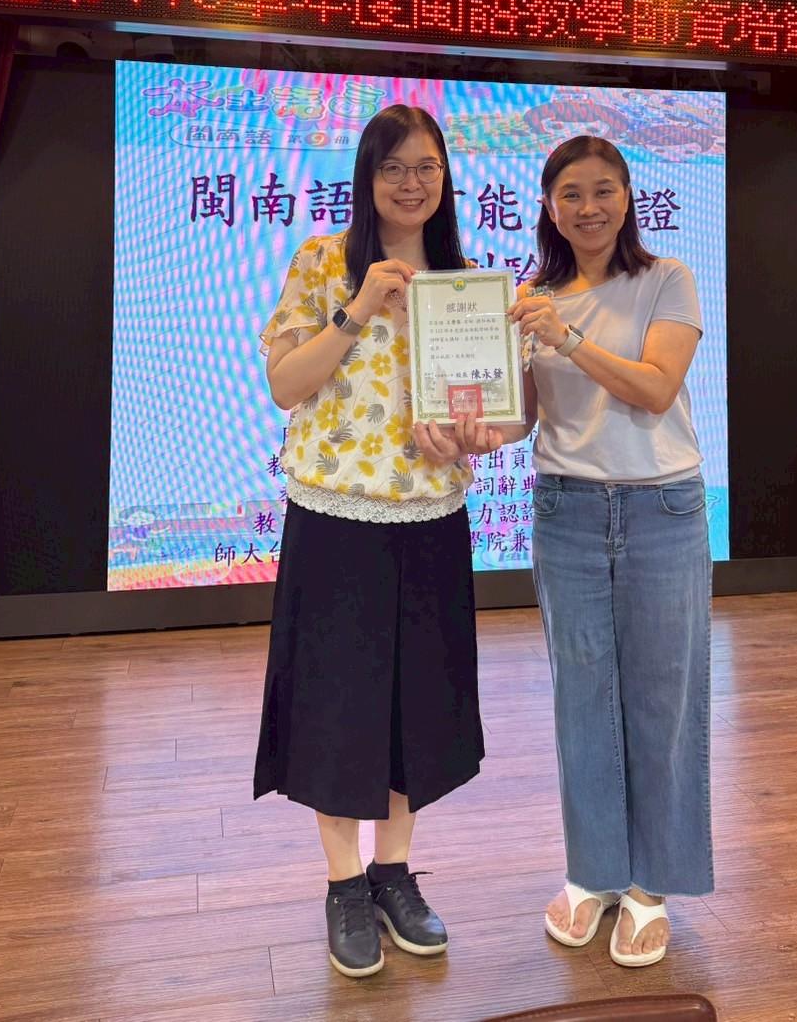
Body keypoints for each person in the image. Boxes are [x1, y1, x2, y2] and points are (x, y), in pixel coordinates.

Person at [454, 133, 713, 968]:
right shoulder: (534, 298)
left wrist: (565, 338)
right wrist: (473, 430)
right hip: (564, 508)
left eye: (603, 190)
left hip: (661, 506)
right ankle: (595, 871)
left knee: (663, 698)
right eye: (570, 193)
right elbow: (526, 416)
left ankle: (652, 884)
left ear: (628, 196)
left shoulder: (666, 279)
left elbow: (656, 387)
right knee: (582, 699)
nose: (588, 206)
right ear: (548, 205)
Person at [255, 102, 484, 979]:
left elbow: (486, 410)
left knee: (415, 703)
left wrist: (471, 434)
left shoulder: (461, 280)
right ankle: (344, 883)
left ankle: (394, 872)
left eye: (426, 167)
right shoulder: (323, 261)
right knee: (336, 703)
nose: (411, 183)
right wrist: (356, 309)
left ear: (445, 178)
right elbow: (285, 384)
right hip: (335, 515)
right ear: (367, 176)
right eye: (393, 167)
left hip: (431, 514)